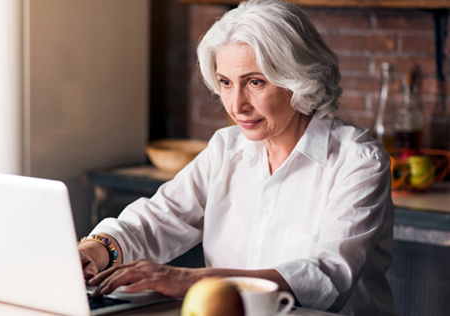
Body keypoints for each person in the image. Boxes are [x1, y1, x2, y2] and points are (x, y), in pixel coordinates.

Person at [77, 0, 395, 315]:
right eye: (226, 83)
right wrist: (97, 249)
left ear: (297, 79)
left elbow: (327, 276)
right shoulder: (226, 148)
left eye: (255, 82)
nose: (236, 105)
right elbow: (160, 217)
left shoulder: (358, 160)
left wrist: (188, 280)